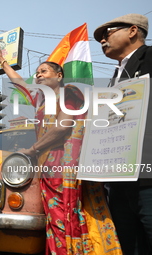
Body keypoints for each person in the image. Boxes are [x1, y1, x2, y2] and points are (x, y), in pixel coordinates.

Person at [0, 45, 122, 254]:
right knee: (55, 222)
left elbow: (63, 126)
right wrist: (2, 61)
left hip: (64, 165)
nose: (38, 76)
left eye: (43, 71)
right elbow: (18, 82)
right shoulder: (41, 99)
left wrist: (33, 149)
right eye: (36, 74)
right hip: (47, 168)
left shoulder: (69, 94)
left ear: (59, 75)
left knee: (65, 217)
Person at [94, 13, 152, 254]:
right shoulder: (114, 78)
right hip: (118, 179)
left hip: (147, 178)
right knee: (128, 243)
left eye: (108, 33)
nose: (102, 41)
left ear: (132, 31)